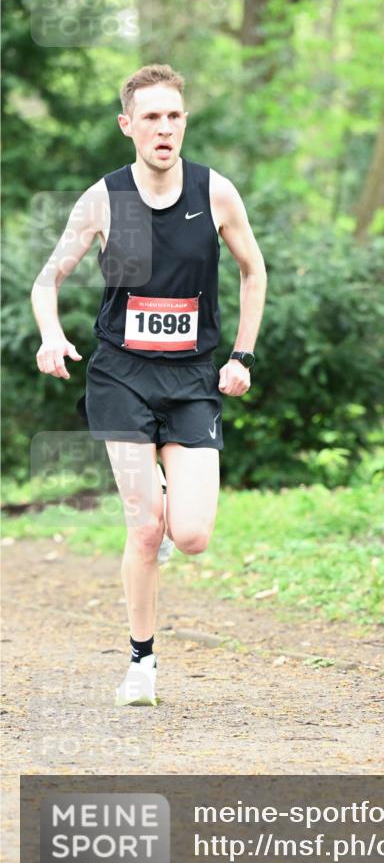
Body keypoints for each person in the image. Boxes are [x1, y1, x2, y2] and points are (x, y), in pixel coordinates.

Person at [30, 63, 267, 707]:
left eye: (175, 116)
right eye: (152, 117)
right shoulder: (107, 199)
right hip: (122, 376)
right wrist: (51, 335)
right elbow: (47, 280)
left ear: (185, 122)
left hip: (192, 378)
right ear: (127, 125)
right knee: (143, 528)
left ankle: (164, 506)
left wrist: (241, 354)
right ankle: (141, 663)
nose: (165, 128)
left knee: (189, 536)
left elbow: (253, 271)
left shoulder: (215, 192)